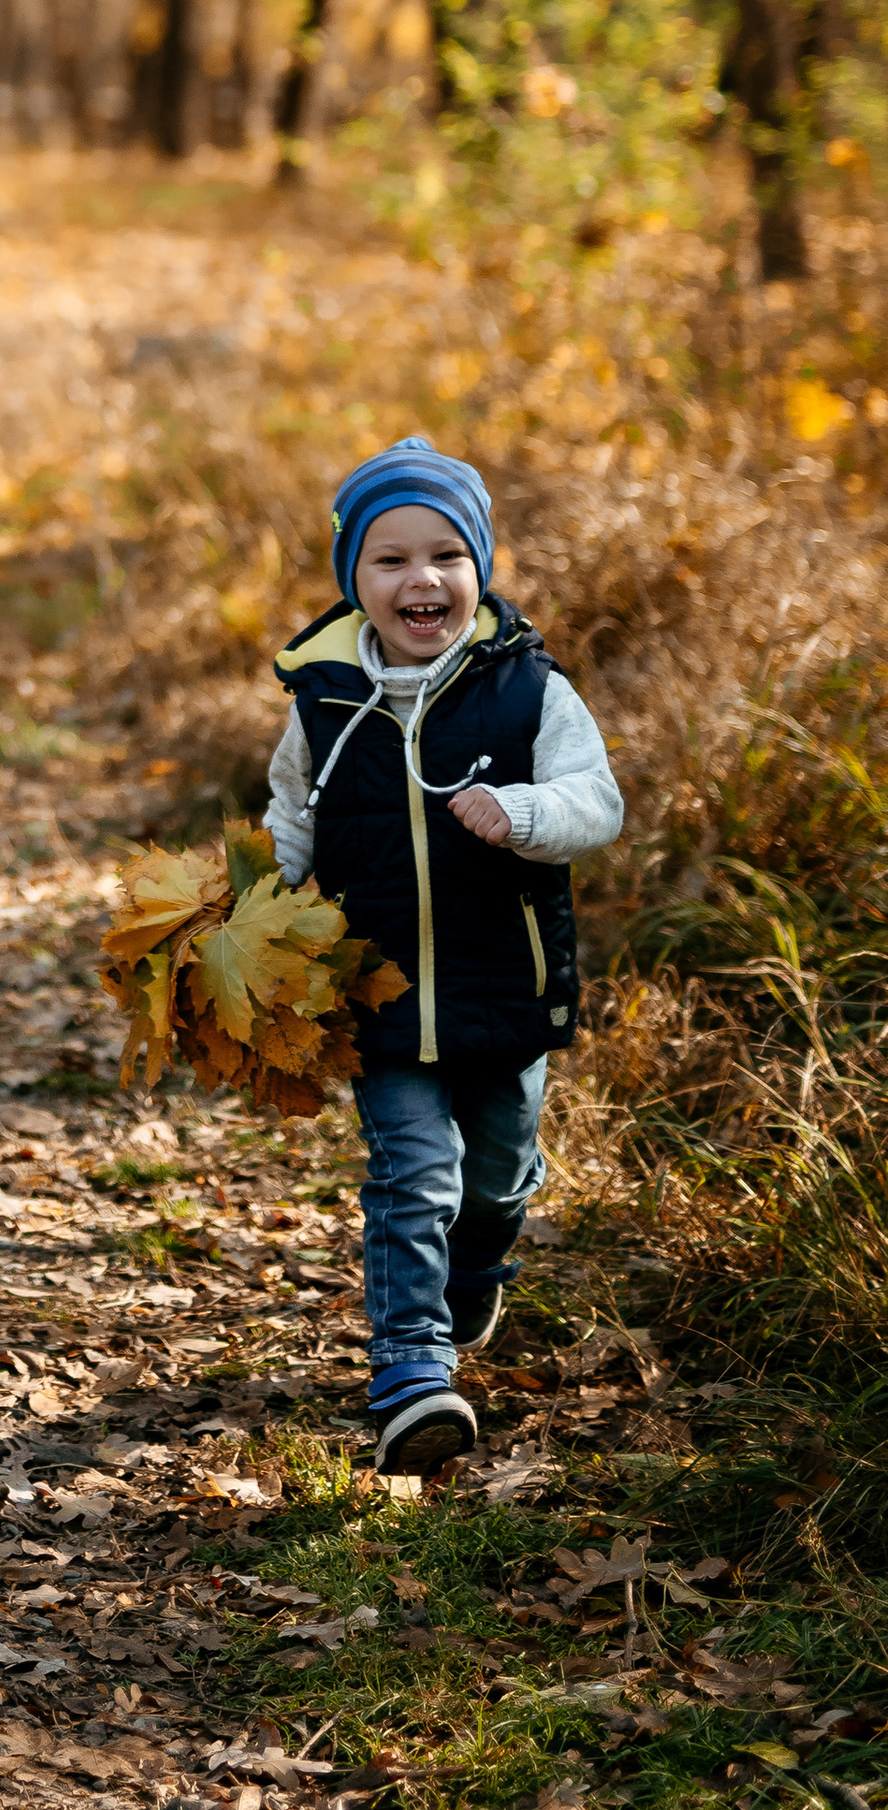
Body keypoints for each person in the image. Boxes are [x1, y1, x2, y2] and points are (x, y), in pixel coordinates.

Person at [264, 436, 623, 1478]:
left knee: (497, 1176)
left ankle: (476, 1274)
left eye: (443, 557)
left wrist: (520, 812)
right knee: (411, 1176)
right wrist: (256, 888)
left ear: (477, 567)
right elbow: (294, 814)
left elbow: (594, 803)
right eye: (388, 560)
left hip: (502, 987)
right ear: (354, 582)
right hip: (380, 992)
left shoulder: (525, 694)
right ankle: (411, 1378)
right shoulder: (325, 701)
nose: (419, 579)